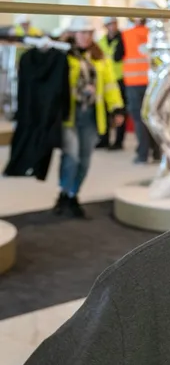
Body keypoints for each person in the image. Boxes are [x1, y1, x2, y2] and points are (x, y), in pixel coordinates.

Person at [54, 17, 124, 218]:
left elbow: (110, 84)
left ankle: (73, 194)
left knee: (84, 160)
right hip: (70, 116)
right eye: (82, 33)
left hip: (92, 116)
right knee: (71, 157)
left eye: (89, 33)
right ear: (73, 34)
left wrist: (117, 108)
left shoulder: (99, 57)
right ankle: (63, 193)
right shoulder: (64, 56)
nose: (86, 37)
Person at [121, 17, 160, 163]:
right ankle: (157, 152)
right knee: (153, 116)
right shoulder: (154, 33)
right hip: (153, 82)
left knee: (138, 119)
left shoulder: (126, 35)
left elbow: (117, 56)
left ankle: (142, 154)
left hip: (134, 83)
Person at [96, 17, 127, 150]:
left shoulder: (123, 39)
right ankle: (104, 139)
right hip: (105, 80)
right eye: (109, 24)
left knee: (119, 111)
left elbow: (120, 56)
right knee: (104, 110)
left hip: (120, 78)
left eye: (114, 24)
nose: (112, 27)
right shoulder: (101, 41)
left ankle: (119, 141)